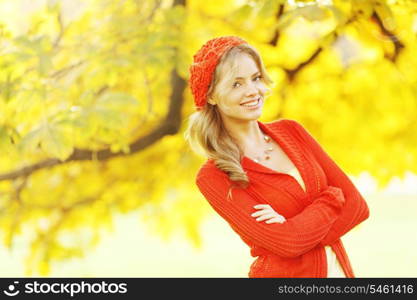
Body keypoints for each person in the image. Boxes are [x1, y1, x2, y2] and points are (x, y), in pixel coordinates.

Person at [184, 36, 370, 278]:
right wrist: (332, 198)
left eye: (256, 78)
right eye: (236, 84)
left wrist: (295, 229)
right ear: (211, 96)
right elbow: (287, 243)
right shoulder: (213, 176)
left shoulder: (292, 131)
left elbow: (357, 207)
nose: (253, 91)